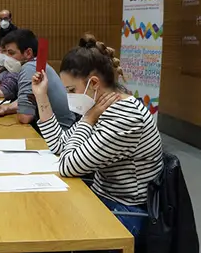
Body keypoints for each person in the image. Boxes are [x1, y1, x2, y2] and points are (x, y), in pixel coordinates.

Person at [31, 35, 163, 236]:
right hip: (103, 199)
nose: (69, 96)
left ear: (93, 83)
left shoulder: (125, 116)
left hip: (126, 213)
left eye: (71, 90)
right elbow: (59, 145)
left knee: (46, 227)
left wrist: (87, 120)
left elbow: (68, 166)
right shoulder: (101, 107)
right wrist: (41, 95)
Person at [0, 29, 76, 130]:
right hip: (66, 127)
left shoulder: (29, 68)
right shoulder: (37, 65)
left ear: (28, 53)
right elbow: (27, 99)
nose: (7, 58)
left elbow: (25, 117)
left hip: (59, 132)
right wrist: (7, 108)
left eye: (11, 53)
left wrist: (18, 110)